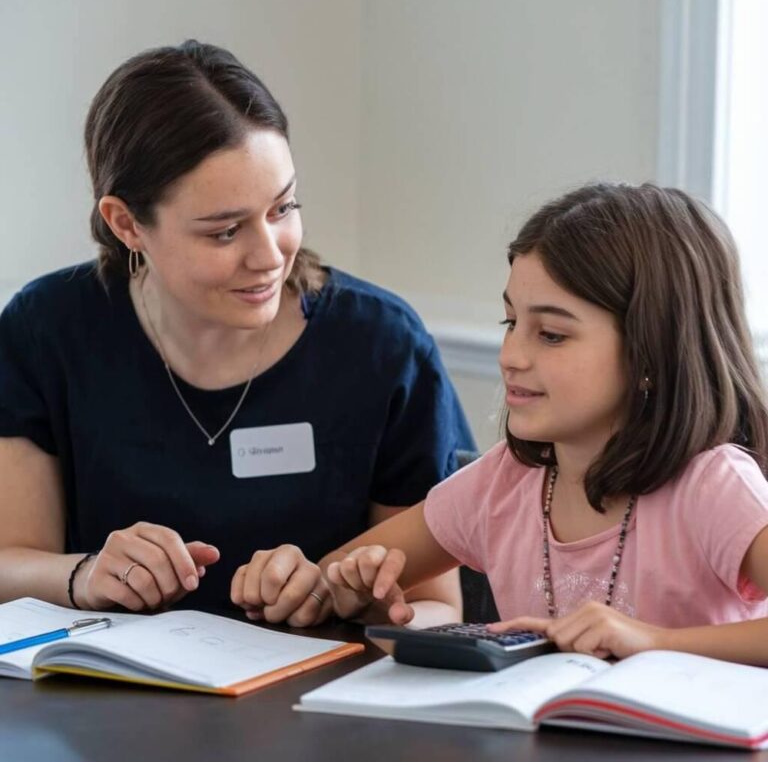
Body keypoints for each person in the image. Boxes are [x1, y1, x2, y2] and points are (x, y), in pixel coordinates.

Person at [0, 40, 473, 626]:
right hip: (99, 699)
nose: (268, 256)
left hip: (316, 701)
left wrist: (339, 596)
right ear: (126, 224)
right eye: (225, 232)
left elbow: (438, 609)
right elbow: (9, 564)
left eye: (283, 208)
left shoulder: (382, 345)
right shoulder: (47, 329)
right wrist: (85, 574)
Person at [323, 182, 768, 666]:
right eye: (510, 323)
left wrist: (653, 642)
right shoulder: (502, 483)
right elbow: (336, 577)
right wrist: (355, 592)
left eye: (552, 335)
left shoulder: (714, 488)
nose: (510, 357)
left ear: (650, 354)